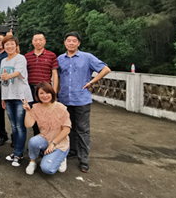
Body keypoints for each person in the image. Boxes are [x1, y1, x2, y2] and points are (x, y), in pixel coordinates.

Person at [57, 32, 111, 173]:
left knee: (82, 129)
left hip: (81, 99)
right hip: (64, 99)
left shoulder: (87, 57)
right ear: (65, 43)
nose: (71, 43)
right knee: (68, 127)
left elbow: (105, 69)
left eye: (74, 41)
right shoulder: (60, 59)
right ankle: (72, 151)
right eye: (69, 40)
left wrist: (91, 82)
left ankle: (84, 159)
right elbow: (57, 77)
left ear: (79, 43)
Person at [22, 82, 70, 175]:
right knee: (33, 141)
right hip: (45, 138)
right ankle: (32, 162)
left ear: (52, 93)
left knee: (47, 169)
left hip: (59, 142)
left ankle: (62, 157)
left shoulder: (61, 107)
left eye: (47, 92)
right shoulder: (36, 107)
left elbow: (66, 130)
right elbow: (28, 125)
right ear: (37, 95)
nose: (45, 96)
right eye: (41, 93)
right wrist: (28, 111)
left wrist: (53, 143)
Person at [0, 34, 33, 167]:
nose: (9, 46)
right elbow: (3, 81)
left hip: (21, 97)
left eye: (12, 44)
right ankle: (16, 152)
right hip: (8, 97)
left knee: (20, 126)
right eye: (7, 44)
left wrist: (9, 76)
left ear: (16, 45)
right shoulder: (3, 61)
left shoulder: (21, 58)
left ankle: (18, 154)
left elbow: (18, 72)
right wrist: (3, 97)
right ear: (4, 46)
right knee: (13, 126)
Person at [25, 31, 59, 136]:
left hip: (45, 90)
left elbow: (55, 73)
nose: (38, 42)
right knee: (34, 113)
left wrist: (54, 90)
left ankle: (47, 137)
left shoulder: (51, 55)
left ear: (44, 41)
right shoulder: (27, 56)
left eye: (40, 40)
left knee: (47, 114)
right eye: (36, 40)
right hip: (31, 89)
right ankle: (37, 137)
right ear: (32, 42)